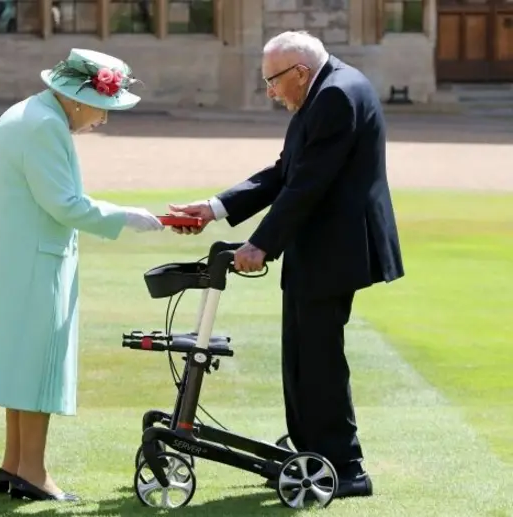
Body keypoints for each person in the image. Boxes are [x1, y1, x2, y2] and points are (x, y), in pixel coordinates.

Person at [169, 31, 404, 500]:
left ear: (299, 72)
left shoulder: (336, 95)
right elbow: (284, 172)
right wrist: (214, 207)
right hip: (316, 245)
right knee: (300, 354)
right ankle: (311, 448)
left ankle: (345, 466)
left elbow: (308, 185)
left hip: (337, 248)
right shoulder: (319, 92)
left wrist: (260, 244)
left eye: (273, 82)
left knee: (318, 359)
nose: (270, 92)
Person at [0, 49, 164, 502]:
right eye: (104, 108)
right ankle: (33, 473)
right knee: (38, 368)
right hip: (34, 263)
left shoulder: (27, 113)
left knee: (23, 366)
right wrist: (126, 217)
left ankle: (15, 464)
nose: (103, 119)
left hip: (15, 259)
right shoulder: (44, 125)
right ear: (78, 98)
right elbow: (63, 203)